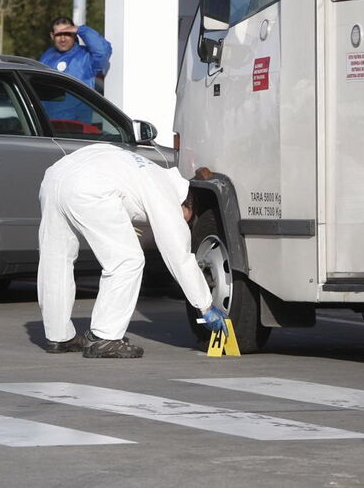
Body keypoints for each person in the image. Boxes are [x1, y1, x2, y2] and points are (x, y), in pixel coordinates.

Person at [37, 144, 227, 358]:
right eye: (186, 219)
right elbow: (178, 255)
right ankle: (105, 338)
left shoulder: (147, 172)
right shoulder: (165, 191)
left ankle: (58, 336)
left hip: (54, 178)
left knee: (56, 259)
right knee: (127, 261)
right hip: (89, 187)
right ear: (186, 203)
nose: (182, 223)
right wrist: (205, 305)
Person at [38, 16, 112, 93]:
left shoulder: (86, 56)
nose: (63, 39)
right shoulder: (47, 56)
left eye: (67, 34)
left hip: (79, 104)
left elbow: (102, 51)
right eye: (59, 34)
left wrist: (81, 30)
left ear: (74, 34)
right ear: (52, 36)